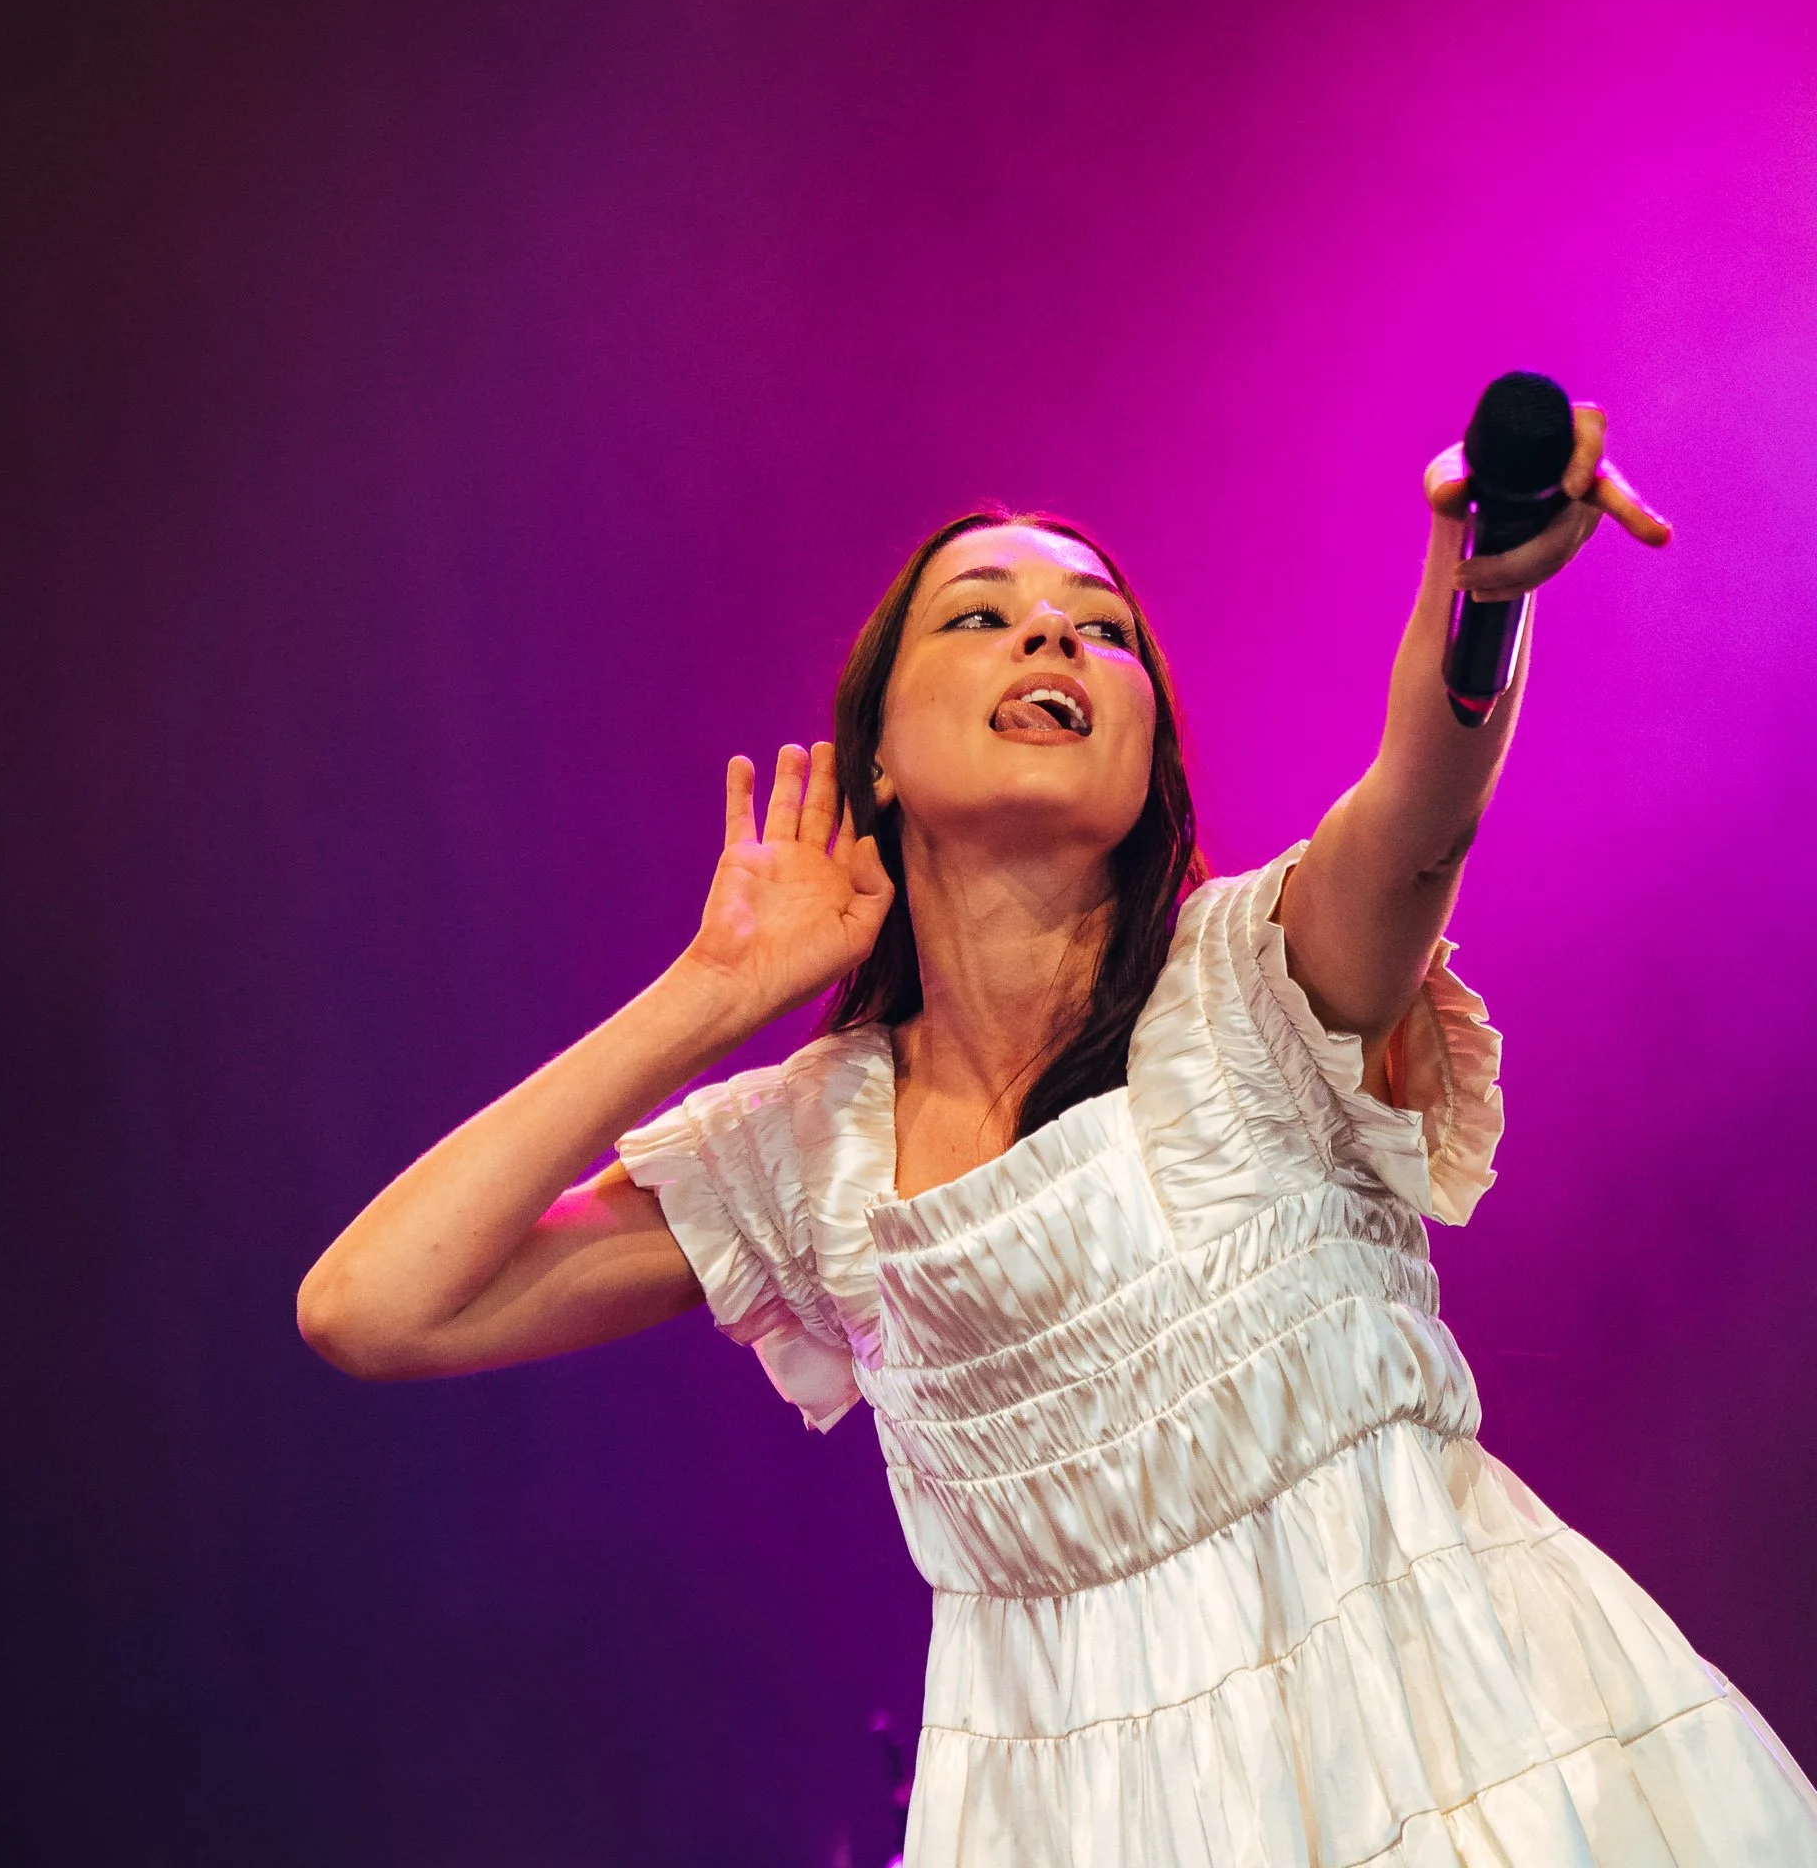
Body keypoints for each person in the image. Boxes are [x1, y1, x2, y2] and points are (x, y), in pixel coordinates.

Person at [298, 405, 1817, 1865]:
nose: (1049, 637)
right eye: (980, 616)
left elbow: (1423, 804)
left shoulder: (1257, 976)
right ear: (878, 757)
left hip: (1459, 1743)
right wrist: (706, 999)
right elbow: (373, 1308)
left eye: (1101, 626)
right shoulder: (806, 1146)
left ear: (1148, 749)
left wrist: (1481, 595)